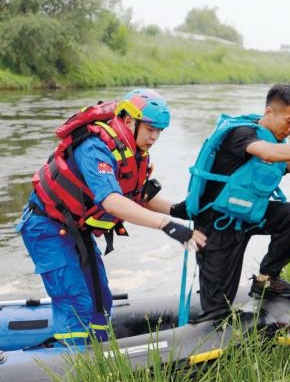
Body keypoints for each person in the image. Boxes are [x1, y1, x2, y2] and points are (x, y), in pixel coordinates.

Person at [17, 89, 207, 345]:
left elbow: (137, 195)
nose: (154, 137)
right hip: (46, 227)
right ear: (129, 121)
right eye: (150, 128)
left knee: (101, 301)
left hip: (75, 228)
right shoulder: (94, 147)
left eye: (159, 131)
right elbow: (112, 201)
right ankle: (72, 360)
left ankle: (100, 350)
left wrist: (177, 210)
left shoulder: (135, 150)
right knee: (77, 303)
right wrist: (166, 225)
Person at [180, 84, 290, 322]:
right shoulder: (242, 134)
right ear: (269, 112)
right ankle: (212, 319)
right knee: (218, 312)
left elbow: (288, 163)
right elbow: (267, 153)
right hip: (217, 228)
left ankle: (267, 280)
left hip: (246, 217)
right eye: (289, 121)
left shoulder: (271, 140)